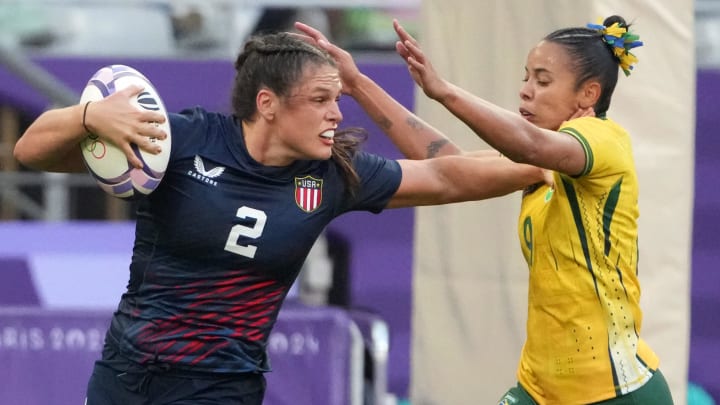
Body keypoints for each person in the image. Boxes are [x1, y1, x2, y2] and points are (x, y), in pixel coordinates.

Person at [13, 32, 546, 404]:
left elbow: (449, 174)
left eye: (338, 99)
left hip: (222, 387)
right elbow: (31, 151)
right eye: (320, 99)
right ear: (268, 103)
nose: (337, 114)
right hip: (125, 376)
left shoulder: (333, 175)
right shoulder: (185, 138)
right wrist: (88, 116)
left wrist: (550, 161)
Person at [295, 14, 674, 405]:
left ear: (588, 95)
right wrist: (358, 84)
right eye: (525, 78)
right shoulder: (543, 162)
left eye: (542, 81)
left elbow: (527, 143)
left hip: (615, 393)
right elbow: (449, 164)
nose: (526, 91)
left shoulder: (604, 140)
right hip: (540, 389)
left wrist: (442, 91)